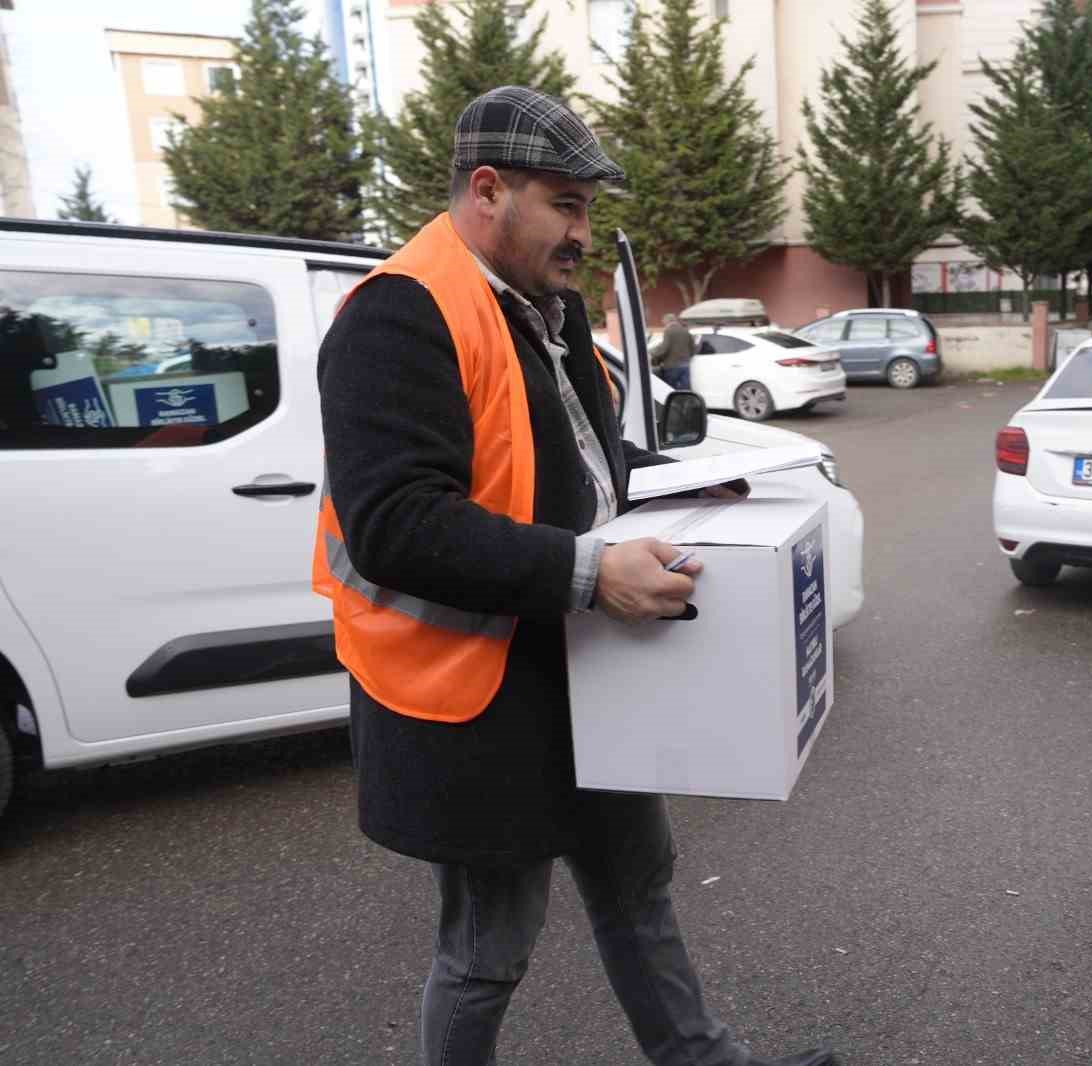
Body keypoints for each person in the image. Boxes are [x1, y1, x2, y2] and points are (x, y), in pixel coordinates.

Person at [313, 86, 836, 1066]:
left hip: (582, 665)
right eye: (564, 203)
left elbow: (588, 473)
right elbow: (394, 524)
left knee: (638, 885)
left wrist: (695, 496)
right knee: (488, 950)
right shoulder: (399, 315)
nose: (583, 232)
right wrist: (595, 571)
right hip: (469, 695)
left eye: (588, 208)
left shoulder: (539, 314)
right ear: (485, 190)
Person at [651, 312, 696, 390]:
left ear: (667, 321)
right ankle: (684, 401)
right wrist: (688, 357)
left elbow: (664, 348)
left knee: (670, 389)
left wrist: (654, 354)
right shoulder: (685, 330)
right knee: (685, 389)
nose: (663, 324)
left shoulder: (668, 331)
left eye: (663, 322)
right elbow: (692, 347)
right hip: (685, 364)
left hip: (672, 365)